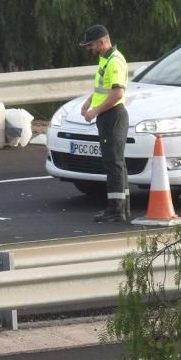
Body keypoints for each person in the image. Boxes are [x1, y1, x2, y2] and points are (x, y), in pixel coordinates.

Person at [79, 24, 129, 222]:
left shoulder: (114, 61)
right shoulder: (105, 60)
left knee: (113, 164)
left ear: (102, 41)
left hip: (113, 115)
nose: (90, 49)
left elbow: (117, 93)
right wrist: (89, 101)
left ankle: (116, 210)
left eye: (91, 45)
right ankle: (121, 209)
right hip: (108, 115)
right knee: (115, 163)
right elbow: (103, 88)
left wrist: (95, 111)